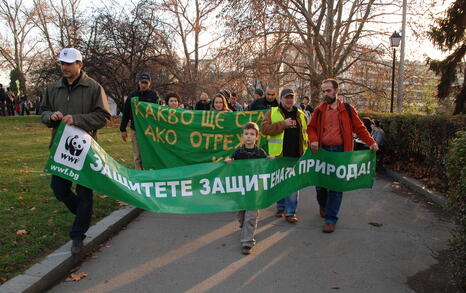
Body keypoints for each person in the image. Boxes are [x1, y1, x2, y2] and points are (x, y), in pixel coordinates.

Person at [41, 48, 111, 254]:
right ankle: (83, 213)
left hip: (85, 150)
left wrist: (77, 119)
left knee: (84, 192)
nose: (65, 67)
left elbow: (104, 117)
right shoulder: (52, 88)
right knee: (59, 189)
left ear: (80, 65)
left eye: (69, 63)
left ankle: (78, 237)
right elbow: (43, 111)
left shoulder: (94, 88)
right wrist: (50, 116)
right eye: (62, 63)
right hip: (60, 149)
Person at [308, 79, 378, 233]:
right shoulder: (319, 110)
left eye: (328, 91)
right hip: (323, 152)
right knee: (320, 186)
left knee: (336, 187)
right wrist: (313, 140)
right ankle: (323, 205)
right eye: (324, 91)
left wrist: (371, 142)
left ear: (336, 91)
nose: (326, 94)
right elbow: (311, 128)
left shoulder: (347, 109)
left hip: (341, 152)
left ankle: (330, 219)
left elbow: (360, 128)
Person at [225, 122, 274, 255]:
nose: (249, 137)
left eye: (252, 134)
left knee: (251, 216)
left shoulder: (260, 152)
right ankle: (244, 228)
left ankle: (247, 242)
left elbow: (266, 166)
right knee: (241, 215)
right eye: (246, 134)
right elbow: (230, 164)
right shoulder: (238, 152)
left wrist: (270, 160)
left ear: (257, 137)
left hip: (254, 190)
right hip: (240, 190)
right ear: (242, 136)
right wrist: (229, 162)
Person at [262, 88, 309, 223]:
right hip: (278, 156)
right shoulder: (272, 112)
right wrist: (283, 124)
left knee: (293, 184)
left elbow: (306, 133)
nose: (289, 100)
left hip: (296, 155)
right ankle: (281, 207)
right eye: (286, 97)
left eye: (291, 97)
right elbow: (264, 130)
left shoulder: (301, 114)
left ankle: (291, 212)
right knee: (279, 182)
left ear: (294, 99)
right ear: (281, 99)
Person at [119, 73, 159, 170]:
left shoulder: (153, 95)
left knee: (150, 153)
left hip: (149, 130)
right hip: (135, 129)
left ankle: (150, 172)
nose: (143, 85)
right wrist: (122, 129)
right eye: (142, 82)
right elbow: (126, 113)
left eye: (146, 83)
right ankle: (139, 174)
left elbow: (158, 112)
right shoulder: (132, 95)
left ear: (149, 83)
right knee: (137, 155)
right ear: (139, 82)